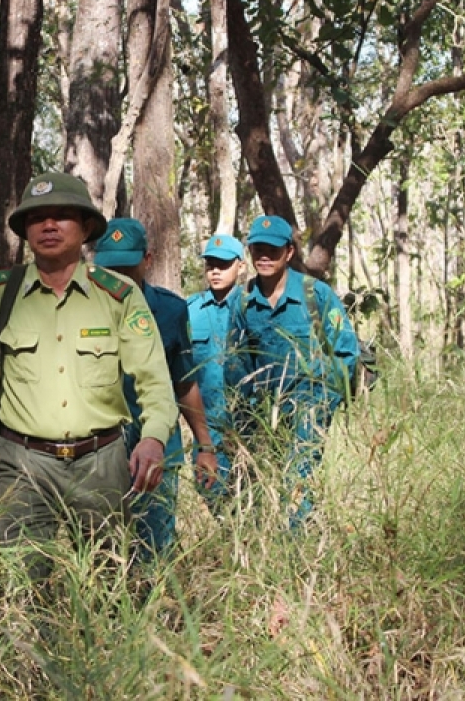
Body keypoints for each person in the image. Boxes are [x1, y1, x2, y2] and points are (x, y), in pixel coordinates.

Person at [0, 172, 177, 580]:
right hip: (21, 464)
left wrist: (154, 437)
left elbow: (155, 381)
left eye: (62, 216)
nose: (49, 226)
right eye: (38, 218)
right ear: (25, 230)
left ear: (86, 227)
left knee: (106, 584)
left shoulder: (119, 296)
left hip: (101, 464)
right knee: (25, 588)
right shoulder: (0, 298)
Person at [92, 218, 220, 559]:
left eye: (126, 267)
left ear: (147, 260)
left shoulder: (170, 309)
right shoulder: (81, 308)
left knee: (153, 550)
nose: (117, 277)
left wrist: (204, 445)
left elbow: (184, 381)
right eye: (110, 268)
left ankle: (155, 611)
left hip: (158, 450)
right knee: (102, 554)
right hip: (100, 453)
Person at [225, 215, 359, 526]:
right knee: (260, 481)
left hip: (310, 404)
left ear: (288, 253)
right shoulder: (243, 301)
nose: (265, 257)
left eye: (273, 250)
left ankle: (299, 546)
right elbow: (235, 362)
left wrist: (325, 399)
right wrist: (244, 412)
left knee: (300, 473)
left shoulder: (316, 294)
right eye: (258, 249)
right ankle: (266, 544)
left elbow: (346, 351)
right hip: (263, 412)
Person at [185, 233, 245, 510]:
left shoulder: (253, 306)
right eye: (210, 265)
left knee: (253, 498)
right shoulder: (189, 310)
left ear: (241, 266)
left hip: (248, 424)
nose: (216, 271)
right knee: (211, 492)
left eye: (223, 264)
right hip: (207, 427)